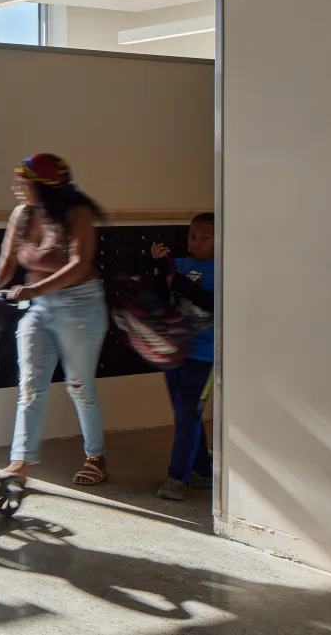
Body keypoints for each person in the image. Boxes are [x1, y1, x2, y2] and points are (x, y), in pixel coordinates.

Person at [0, 153, 110, 486]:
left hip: (80, 306)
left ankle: (96, 457)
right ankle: (20, 463)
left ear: (45, 187)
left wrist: (33, 290)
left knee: (79, 386)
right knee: (30, 386)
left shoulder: (77, 213)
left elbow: (77, 263)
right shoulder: (21, 214)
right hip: (38, 307)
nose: (17, 188)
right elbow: (7, 262)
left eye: (24, 182)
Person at [150, 213, 216, 500]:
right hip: (174, 350)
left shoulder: (226, 269)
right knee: (184, 412)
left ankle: (178, 477)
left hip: (203, 354)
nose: (196, 243)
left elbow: (213, 304)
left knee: (187, 414)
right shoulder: (179, 265)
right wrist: (155, 262)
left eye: (205, 237)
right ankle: (202, 470)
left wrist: (179, 282)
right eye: (192, 236)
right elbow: (159, 293)